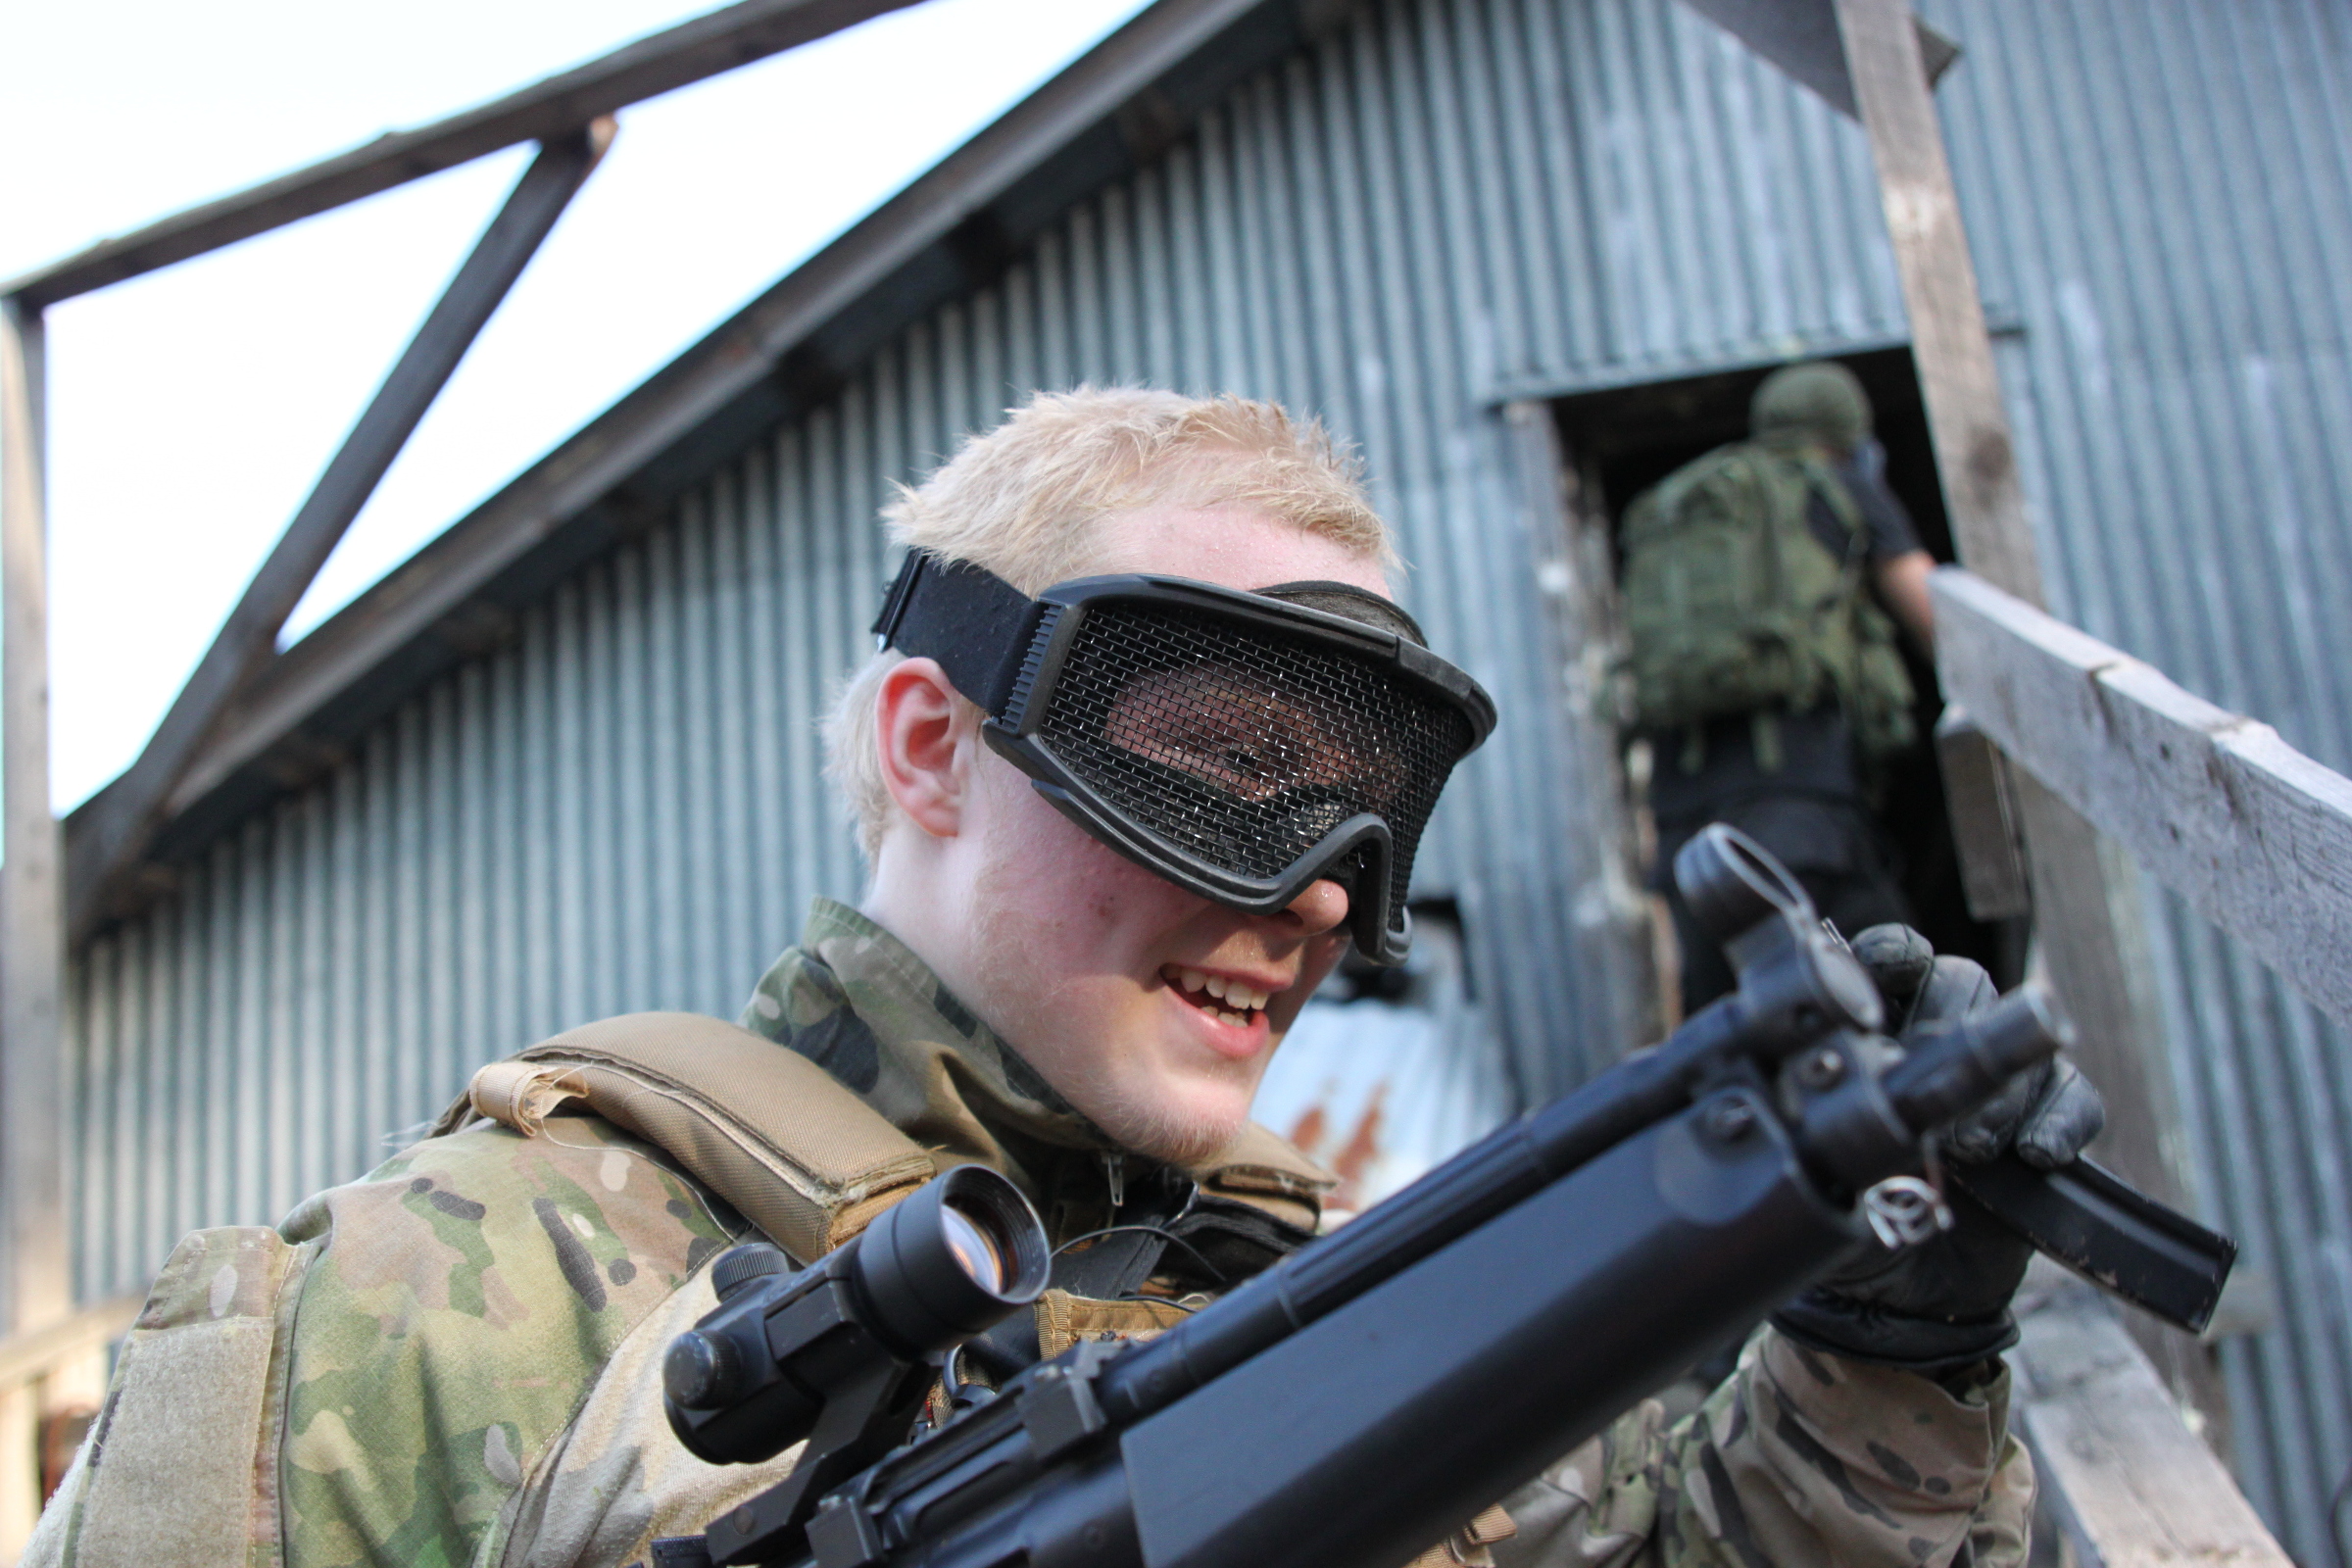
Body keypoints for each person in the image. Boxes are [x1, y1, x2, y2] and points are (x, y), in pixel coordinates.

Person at [31, 388, 2096, 1568]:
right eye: (1229, 764)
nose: (1319, 896)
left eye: (1365, 810)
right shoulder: (444, 1297)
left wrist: (1884, 1339)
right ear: (934, 742)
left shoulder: (1339, 1300)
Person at [1622, 361, 1941, 1014]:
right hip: (1803, 811)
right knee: (1903, 999)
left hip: (1685, 831)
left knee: (1738, 1030)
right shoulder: (1835, 487)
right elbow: (1937, 618)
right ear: (1846, 432)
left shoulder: (1686, 505)